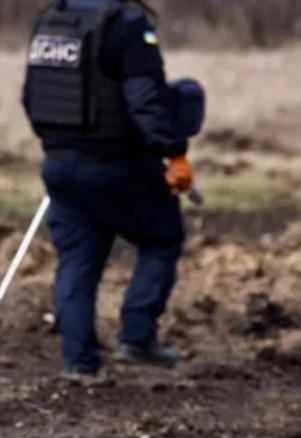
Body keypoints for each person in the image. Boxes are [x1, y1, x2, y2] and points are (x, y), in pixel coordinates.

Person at [21, 0, 203, 380]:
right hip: (117, 163)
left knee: (76, 261)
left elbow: (30, 96)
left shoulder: (51, 20)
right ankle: (137, 338)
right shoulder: (126, 24)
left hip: (59, 164)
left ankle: (80, 363)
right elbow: (145, 102)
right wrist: (175, 154)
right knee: (162, 238)